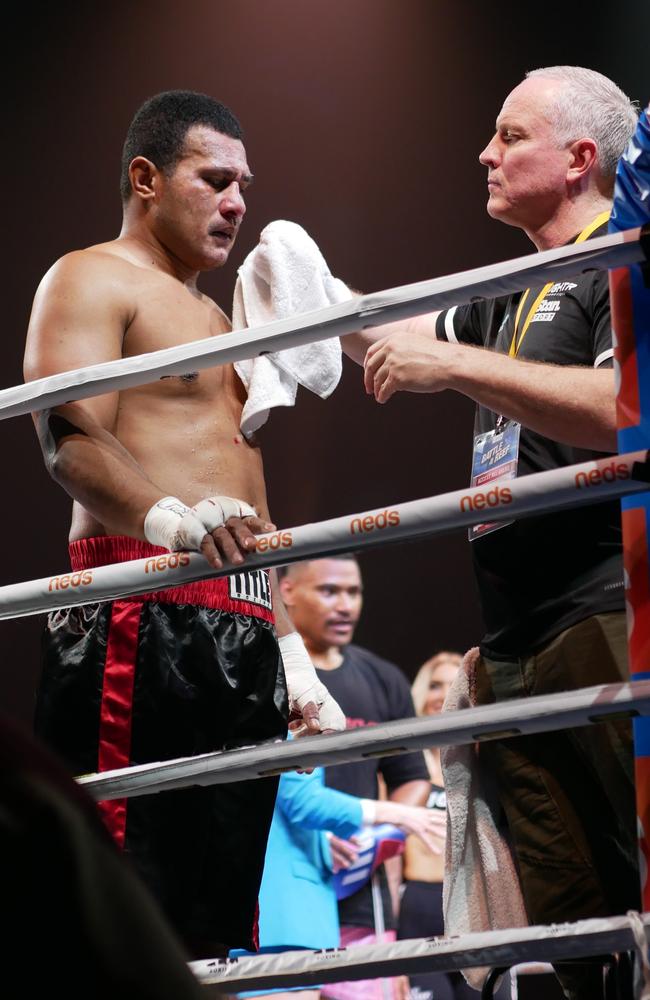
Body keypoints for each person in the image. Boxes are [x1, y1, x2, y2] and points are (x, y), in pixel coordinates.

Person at [23, 90, 344, 960]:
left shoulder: (219, 321)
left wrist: (288, 653)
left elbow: (248, 495)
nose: (238, 201)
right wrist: (169, 521)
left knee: (216, 909)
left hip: (238, 619)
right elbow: (69, 437)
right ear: (145, 178)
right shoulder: (92, 276)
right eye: (214, 179)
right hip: (138, 602)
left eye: (245, 183)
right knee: (121, 908)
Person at [347, 66, 640, 1000]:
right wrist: (304, 284)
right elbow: (397, 335)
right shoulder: (508, 290)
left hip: (607, 613)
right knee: (573, 921)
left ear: (581, 159)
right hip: (515, 636)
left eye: (511, 137)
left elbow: (625, 406)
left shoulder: (621, 256)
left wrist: (450, 363)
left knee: (636, 882)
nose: (486, 152)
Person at [279, 554, 431, 1000]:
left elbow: (412, 776)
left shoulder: (383, 679)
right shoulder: (267, 670)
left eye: (354, 592)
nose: (345, 604)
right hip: (286, 889)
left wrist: (378, 835)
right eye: (329, 591)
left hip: (363, 898)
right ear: (286, 593)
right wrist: (310, 837)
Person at [232, 763, 446, 1000]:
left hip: (284, 911)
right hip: (282, 914)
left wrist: (322, 839)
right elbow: (304, 801)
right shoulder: (286, 729)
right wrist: (398, 813)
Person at [398, 651, 510, 1000]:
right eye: (434, 685)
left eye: (451, 684)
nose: (442, 694)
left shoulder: (486, 761)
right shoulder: (403, 766)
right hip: (419, 906)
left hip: (474, 901)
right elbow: (387, 850)